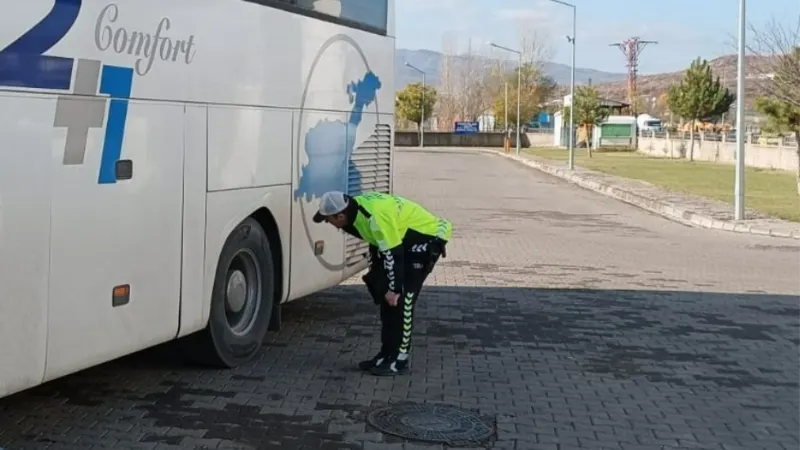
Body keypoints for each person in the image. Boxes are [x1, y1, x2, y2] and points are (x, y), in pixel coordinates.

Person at [313, 190, 452, 376]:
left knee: (403, 300)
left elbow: (393, 255)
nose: (328, 224)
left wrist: (394, 289)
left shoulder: (375, 218)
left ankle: (399, 360)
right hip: (402, 241)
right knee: (388, 303)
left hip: (426, 238)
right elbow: (378, 244)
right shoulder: (354, 210)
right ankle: (386, 353)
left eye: (328, 219)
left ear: (340, 215)